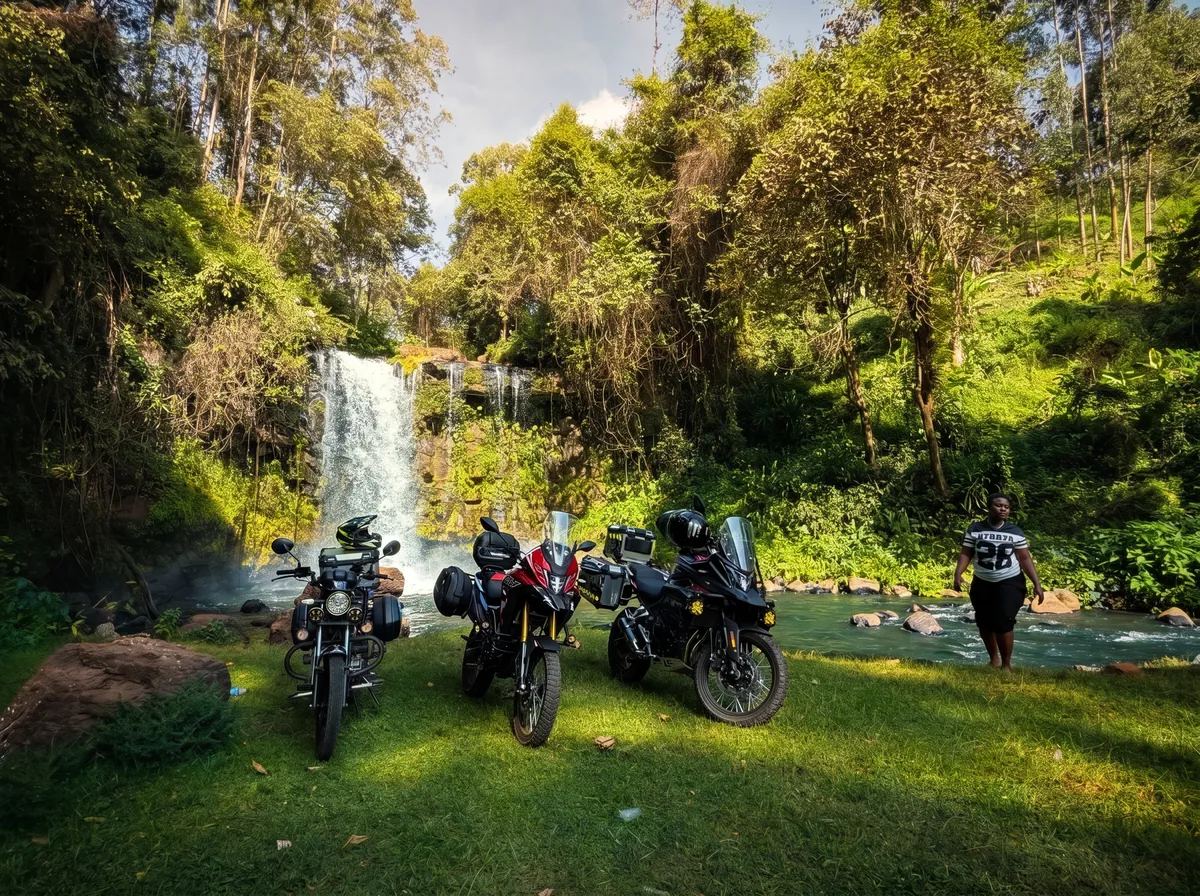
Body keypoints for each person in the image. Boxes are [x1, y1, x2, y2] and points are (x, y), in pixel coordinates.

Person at [953, 493, 1044, 672]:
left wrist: (1037, 583)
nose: (1003, 509)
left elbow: (1024, 557)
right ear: (989, 507)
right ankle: (994, 659)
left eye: (1007, 507)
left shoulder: (1015, 532)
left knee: (1004, 621)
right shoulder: (975, 529)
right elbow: (967, 552)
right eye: (999, 505)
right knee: (984, 621)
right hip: (982, 582)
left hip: (1009, 581)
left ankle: (1006, 665)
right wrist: (958, 573)